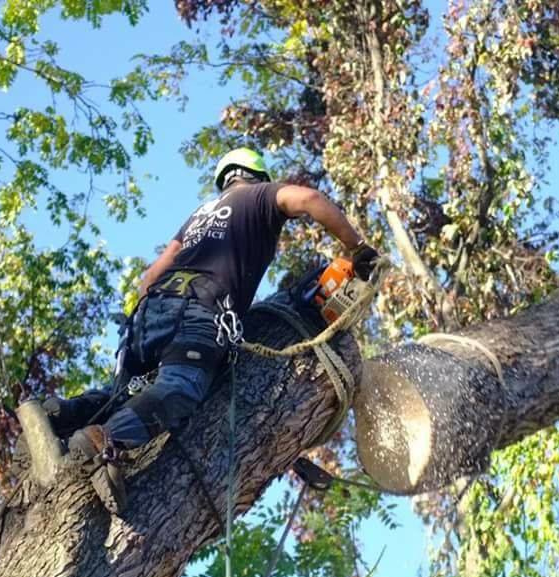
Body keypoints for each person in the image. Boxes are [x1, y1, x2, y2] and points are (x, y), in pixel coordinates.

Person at [43, 147, 378, 510]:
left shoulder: (200, 215)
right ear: (257, 175)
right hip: (199, 310)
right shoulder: (261, 196)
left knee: (123, 394)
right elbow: (309, 198)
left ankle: (59, 416)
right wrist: (357, 247)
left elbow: (152, 275)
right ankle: (101, 442)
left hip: (148, 313)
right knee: (181, 388)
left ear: (226, 180)